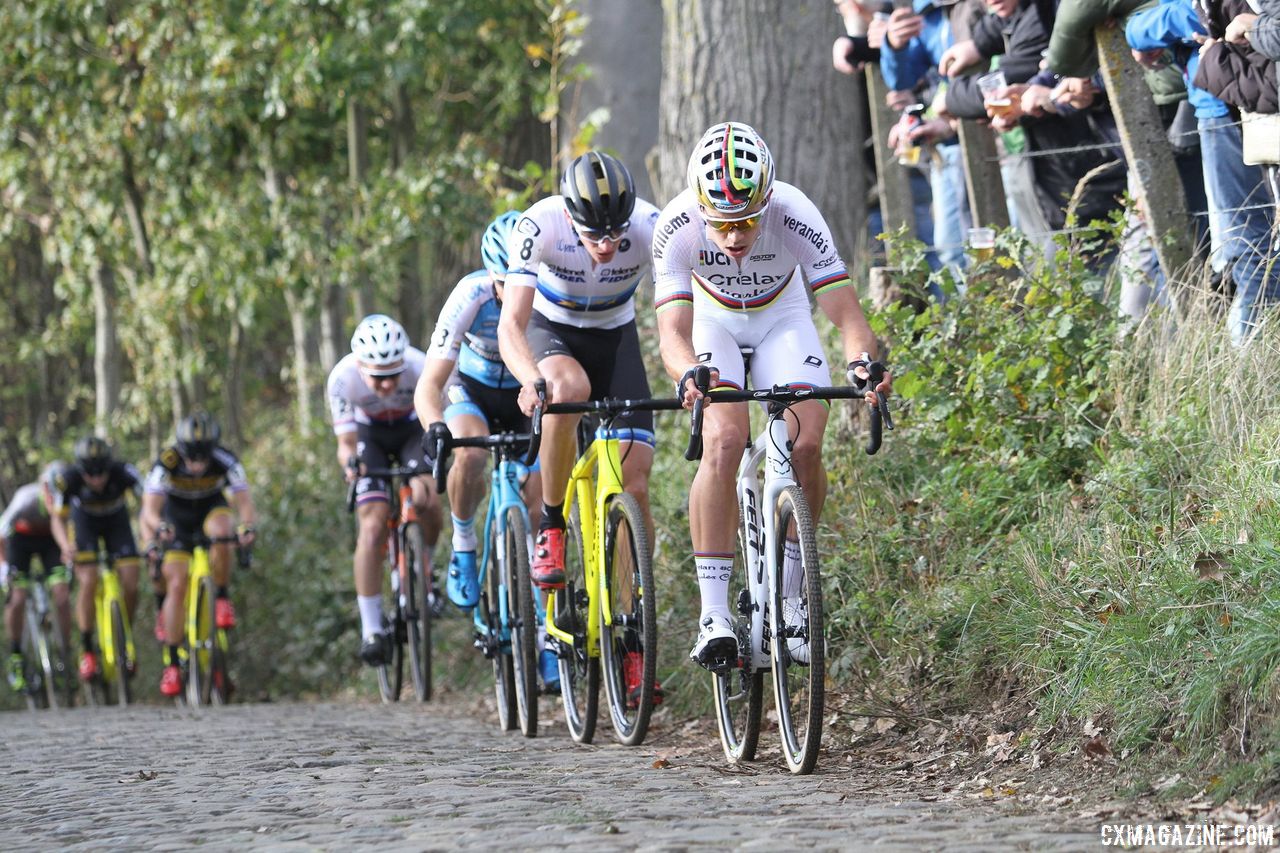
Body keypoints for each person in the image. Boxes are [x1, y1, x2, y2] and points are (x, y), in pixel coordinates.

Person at [652, 121, 892, 669]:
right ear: (700, 210)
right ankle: (714, 613)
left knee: (806, 440)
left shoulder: (795, 212)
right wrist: (690, 372)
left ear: (768, 201)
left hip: (782, 320)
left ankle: (790, 594)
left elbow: (849, 317)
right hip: (712, 327)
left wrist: (862, 363)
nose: (736, 237)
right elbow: (672, 335)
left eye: (748, 221)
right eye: (723, 225)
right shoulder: (677, 225)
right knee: (725, 439)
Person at [497, 151, 661, 589]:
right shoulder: (539, 224)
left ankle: (629, 626)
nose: (607, 245)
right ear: (570, 219)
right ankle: (552, 524)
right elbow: (511, 323)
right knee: (568, 388)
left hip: (615, 334)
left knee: (636, 484)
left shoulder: (651, 225)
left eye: (616, 232)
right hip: (551, 329)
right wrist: (530, 379)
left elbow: (685, 306)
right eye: (593, 234)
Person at [414, 211, 555, 687]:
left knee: (540, 509)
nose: (505, 293)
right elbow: (428, 384)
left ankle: (545, 631)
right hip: (469, 389)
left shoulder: (548, 289)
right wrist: (435, 426)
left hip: (521, 393)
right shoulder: (470, 294)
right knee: (470, 453)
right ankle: (465, 543)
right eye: (500, 282)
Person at [328, 314, 443, 668]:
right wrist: (351, 465)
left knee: (427, 498)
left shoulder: (421, 365)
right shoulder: (342, 378)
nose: (388, 386)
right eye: (378, 378)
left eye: (393, 375)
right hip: (369, 437)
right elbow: (346, 443)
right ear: (361, 367)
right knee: (373, 524)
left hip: (411, 429)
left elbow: (436, 419)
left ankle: (424, 567)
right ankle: (372, 628)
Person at [139, 413, 257, 697]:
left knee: (223, 528)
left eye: (203, 457)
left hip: (210, 512)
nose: (197, 464)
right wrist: (159, 529)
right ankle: (172, 662)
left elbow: (245, 502)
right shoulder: (166, 461)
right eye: (192, 457)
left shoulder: (226, 459)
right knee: (176, 584)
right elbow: (149, 511)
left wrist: (248, 527)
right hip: (176, 522)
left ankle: (222, 597)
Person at [49, 436, 144, 682]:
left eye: (102, 472)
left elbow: (150, 502)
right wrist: (65, 545)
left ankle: (125, 634)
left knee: (132, 581)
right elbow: (57, 519)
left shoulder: (124, 472)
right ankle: (88, 648)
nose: (97, 479)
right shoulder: (67, 480)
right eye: (91, 474)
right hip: (85, 524)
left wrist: (148, 535)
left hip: (117, 523)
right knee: (88, 580)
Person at [1, 463, 73, 691]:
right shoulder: (26, 497)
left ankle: (64, 654)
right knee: (17, 598)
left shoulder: (69, 497)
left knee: (62, 596)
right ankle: (16, 656)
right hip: (19, 542)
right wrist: (3, 568)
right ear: (44, 487)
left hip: (51, 542)